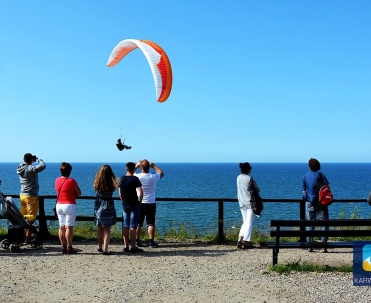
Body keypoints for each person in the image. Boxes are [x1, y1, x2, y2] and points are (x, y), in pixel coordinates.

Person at [134, 160, 164, 248]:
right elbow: (161, 173)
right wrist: (153, 165)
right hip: (150, 202)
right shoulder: (153, 176)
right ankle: (151, 242)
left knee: (138, 223)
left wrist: (136, 165)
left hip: (139, 202)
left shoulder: (137, 176)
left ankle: (137, 241)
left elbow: (129, 174)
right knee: (151, 223)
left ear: (141, 167)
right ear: (148, 167)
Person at [302, 158, 330, 253]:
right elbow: (327, 187)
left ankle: (310, 246)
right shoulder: (321, 175)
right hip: (321, 202)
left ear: (309, 166)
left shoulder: (305, 176)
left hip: (309, 202)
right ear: (318, 166)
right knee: (324, 224)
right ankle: (324, 247)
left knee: (310, 224)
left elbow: (304, 191)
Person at [16, 153, 46, 240]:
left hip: (22, 195)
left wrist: (31, 161)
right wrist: (39, 159)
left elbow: (25, 165)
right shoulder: (30, 169)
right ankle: (27, 238)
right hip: (31, 196)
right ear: (31, 160)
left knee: (23, 217)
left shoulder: (20, 168)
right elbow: (43, 166)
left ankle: (19, 235)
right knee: (31, 218)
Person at [55, 162, 81, 254]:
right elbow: (78, 192)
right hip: (69, 205)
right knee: (69, 227)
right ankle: (69, 247)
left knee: (61, 227)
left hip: (59, 205)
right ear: (69, 171)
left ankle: (63, 246)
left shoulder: (57, 180)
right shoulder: (71, 181)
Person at [119, 162, 143, 253]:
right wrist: (139, 202)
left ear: (126, 168)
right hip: (134, 204)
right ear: (134, 169)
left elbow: (120, 193)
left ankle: (126, 246)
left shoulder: (122, 179)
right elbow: (140, 192)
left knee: (126, 225)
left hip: (125, 203)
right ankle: (133, 246)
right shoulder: (135, 179)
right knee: (133, 226)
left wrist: (123, 200)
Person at [93, 165, 118, 255]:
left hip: (98, 205)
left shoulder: (97, 183)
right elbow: (116, 187)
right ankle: (105, 249)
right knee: (107, 229)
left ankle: (100, 246)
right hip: (108, 206)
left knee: (100, 228)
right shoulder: (111, 184)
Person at [236, 162, 259, 249]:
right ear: (248, 169)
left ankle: (239, 240)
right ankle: (246, 242)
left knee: (245, 222)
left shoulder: (238, 177)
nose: (251, 169)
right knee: (250, 223)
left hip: (241, 203)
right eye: (250, 168)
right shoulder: (250, 179)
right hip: (250, 203)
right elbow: (258, 189)